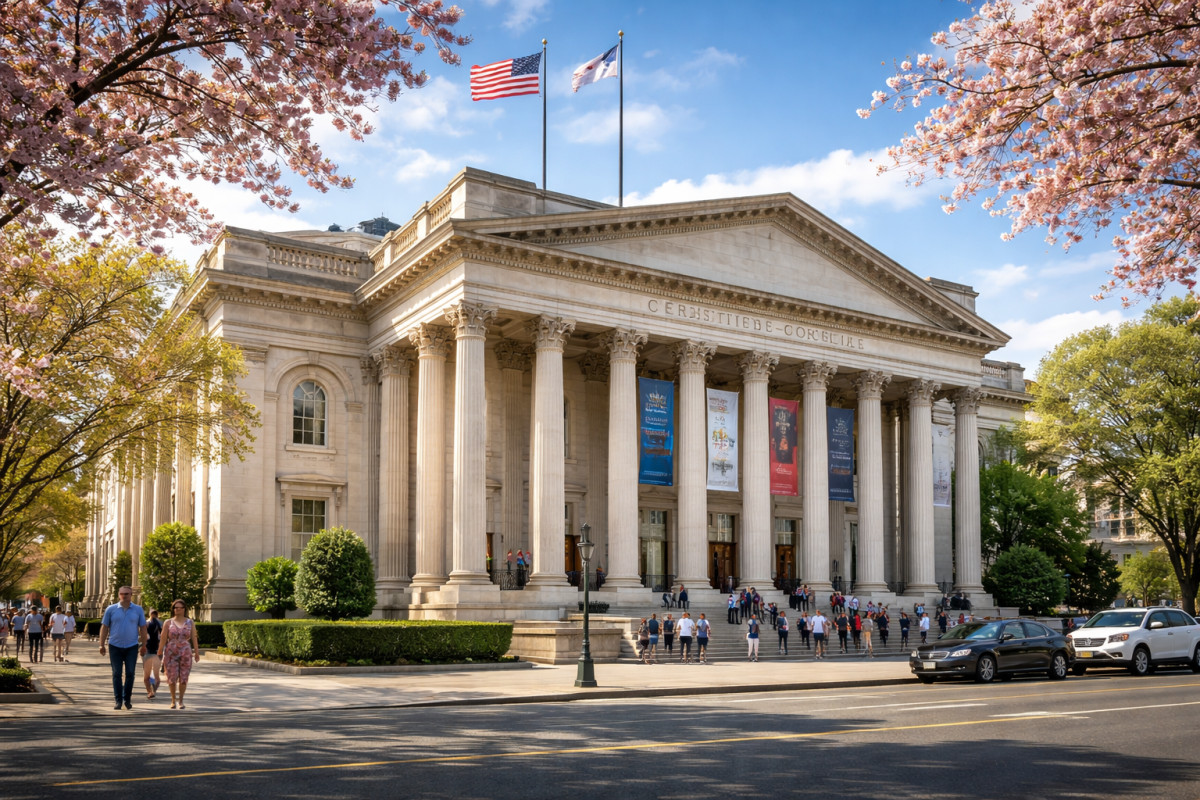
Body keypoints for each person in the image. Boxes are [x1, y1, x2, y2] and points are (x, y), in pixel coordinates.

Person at [99, 586, 148, 710]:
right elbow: (104, 627)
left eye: (127, 594)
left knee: (130, 673)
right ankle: (118, 700)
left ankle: (127, 699)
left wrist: (144, 645)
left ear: (131, 595)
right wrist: (101, 644)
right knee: (117, 673)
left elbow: (143, 627)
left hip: (132, 646)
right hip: (115, 646)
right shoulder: (111, 609)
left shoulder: (138, 610)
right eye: (122, 594)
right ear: (118, 594)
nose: (124, 596)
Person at [160, 598, 200, 709]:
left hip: (185, 652)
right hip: (171, 652)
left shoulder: (190, 622)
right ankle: (173, 700)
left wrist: (196, 652)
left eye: (179, 607)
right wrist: (159, 652)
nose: (177, 609)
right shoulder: (168, 622)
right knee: (172, 677)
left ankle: (181, 700)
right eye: (175, 607)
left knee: (184, 677)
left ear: (184, 609)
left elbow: (194, 637)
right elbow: (163, 638)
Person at [143, 609, 163, 700]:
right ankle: (151, 691)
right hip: (151, 650)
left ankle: (151, 691)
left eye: (154, 614)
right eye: (153, 614)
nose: (153, 616)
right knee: (150, 675)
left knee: (153, 674)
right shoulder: (148, 623)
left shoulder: (159, 624)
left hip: (154, 650)